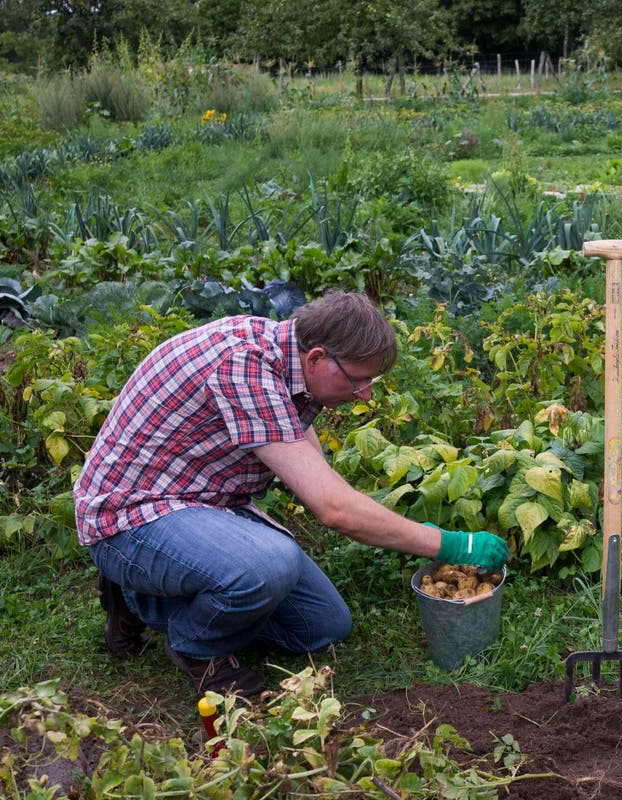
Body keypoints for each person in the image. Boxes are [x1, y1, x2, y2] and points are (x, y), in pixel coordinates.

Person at [75, 292, 509, 696]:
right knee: (269, 566)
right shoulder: (243, 365)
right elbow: (333, 509)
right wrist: (452, 543)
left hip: (203, 501)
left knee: (322, 627)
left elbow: (316, 476)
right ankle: (195, 646)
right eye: (359, 382)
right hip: (130, 517)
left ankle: (143, 597)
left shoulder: (286, 358)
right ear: (319, 357)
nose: (366, 394)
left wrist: (403, 527)